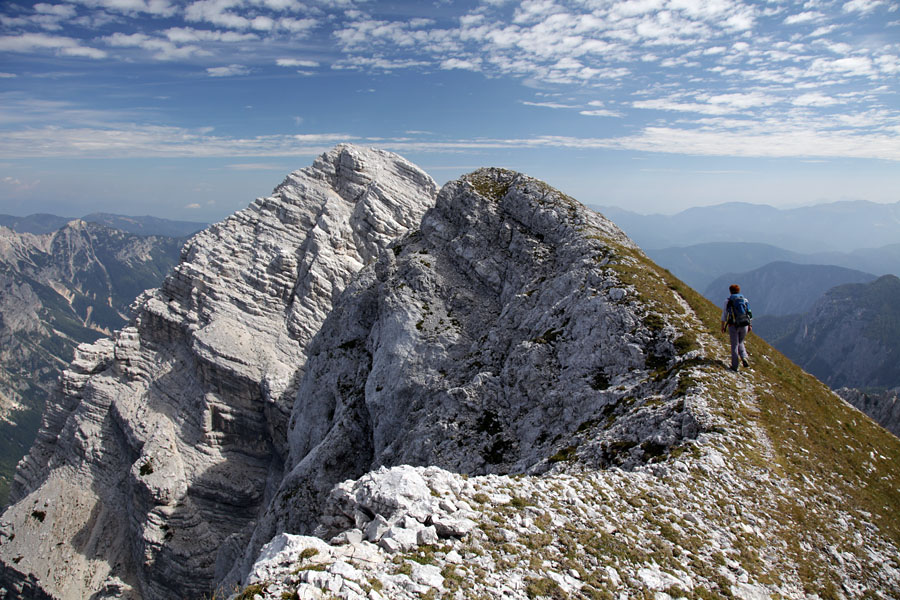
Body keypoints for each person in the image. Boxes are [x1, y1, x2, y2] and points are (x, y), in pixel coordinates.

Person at [721, 284, 752, 372]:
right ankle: (744, 357)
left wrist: (723, 326)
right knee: (741, 342)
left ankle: (735, 366)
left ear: (730, 291)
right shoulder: (744, 300)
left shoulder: (728, 301)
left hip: (733, 325)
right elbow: (749, 313)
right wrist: (750, 325)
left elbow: (724, 314)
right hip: (745, 324)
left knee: (734, 344)